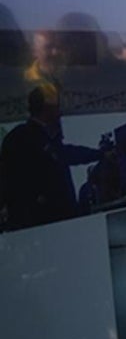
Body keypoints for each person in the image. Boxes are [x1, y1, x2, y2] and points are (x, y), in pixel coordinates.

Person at [0, 81, 100, 231]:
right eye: (57, 106)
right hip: (43, 227)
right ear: (47, 108)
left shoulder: (30, 137)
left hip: (49, 227)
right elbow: (65, 155)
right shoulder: (25, 137)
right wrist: (99, 154)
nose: (60, 113)